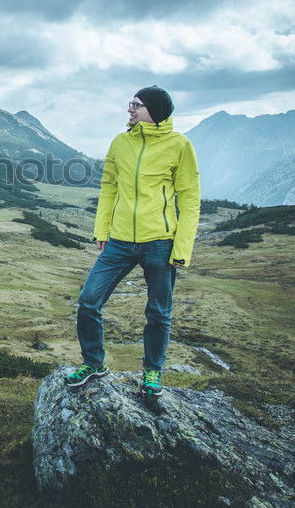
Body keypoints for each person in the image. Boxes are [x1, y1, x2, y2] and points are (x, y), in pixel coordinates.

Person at [65, 86, 200, 396]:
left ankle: (152, 373)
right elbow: (109, 188)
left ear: (153, 111)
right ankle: (94, 363)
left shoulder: (180, 146)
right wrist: (102, 230)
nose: (130, 109)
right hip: (120, 240)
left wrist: (183, 247)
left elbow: (190, 198)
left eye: (136, 105)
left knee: (158, 312)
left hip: (160, 242)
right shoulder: (120, 143)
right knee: (88, 300)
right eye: (131, 104)